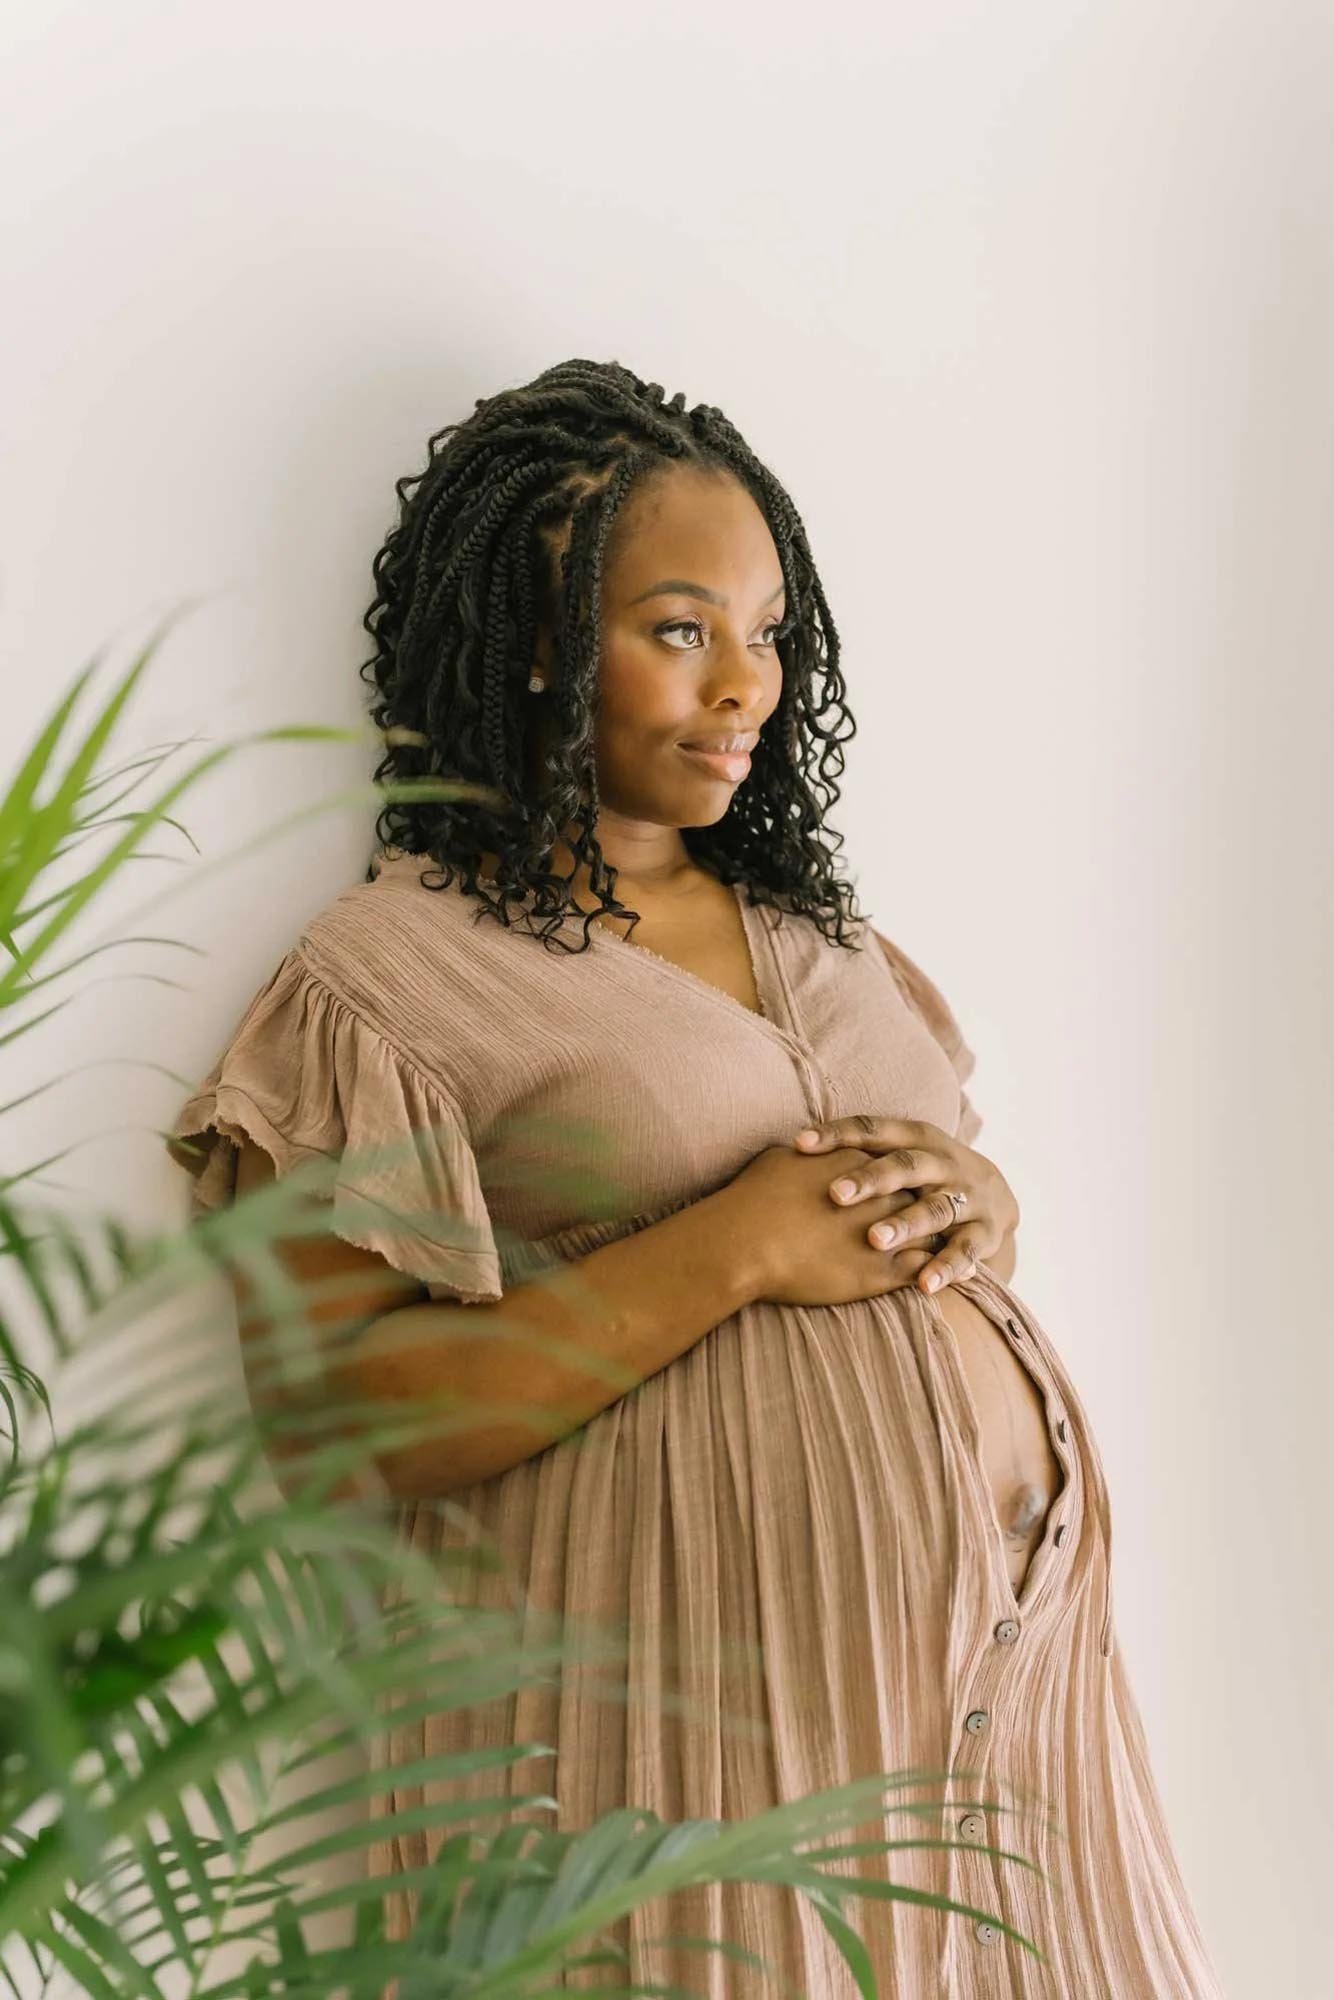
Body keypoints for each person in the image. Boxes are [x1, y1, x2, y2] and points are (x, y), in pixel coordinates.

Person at [165, 359, 1225, 1996]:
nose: (747, 685)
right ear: (533, 638)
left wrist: (979, 1211)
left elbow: (912, 1199)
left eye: (770, 635)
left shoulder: (828, 940)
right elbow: (327, 1421)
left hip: (1012, 1716)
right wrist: (727, 1251)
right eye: (678, 630)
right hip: (679, 1766)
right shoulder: (397, 974)